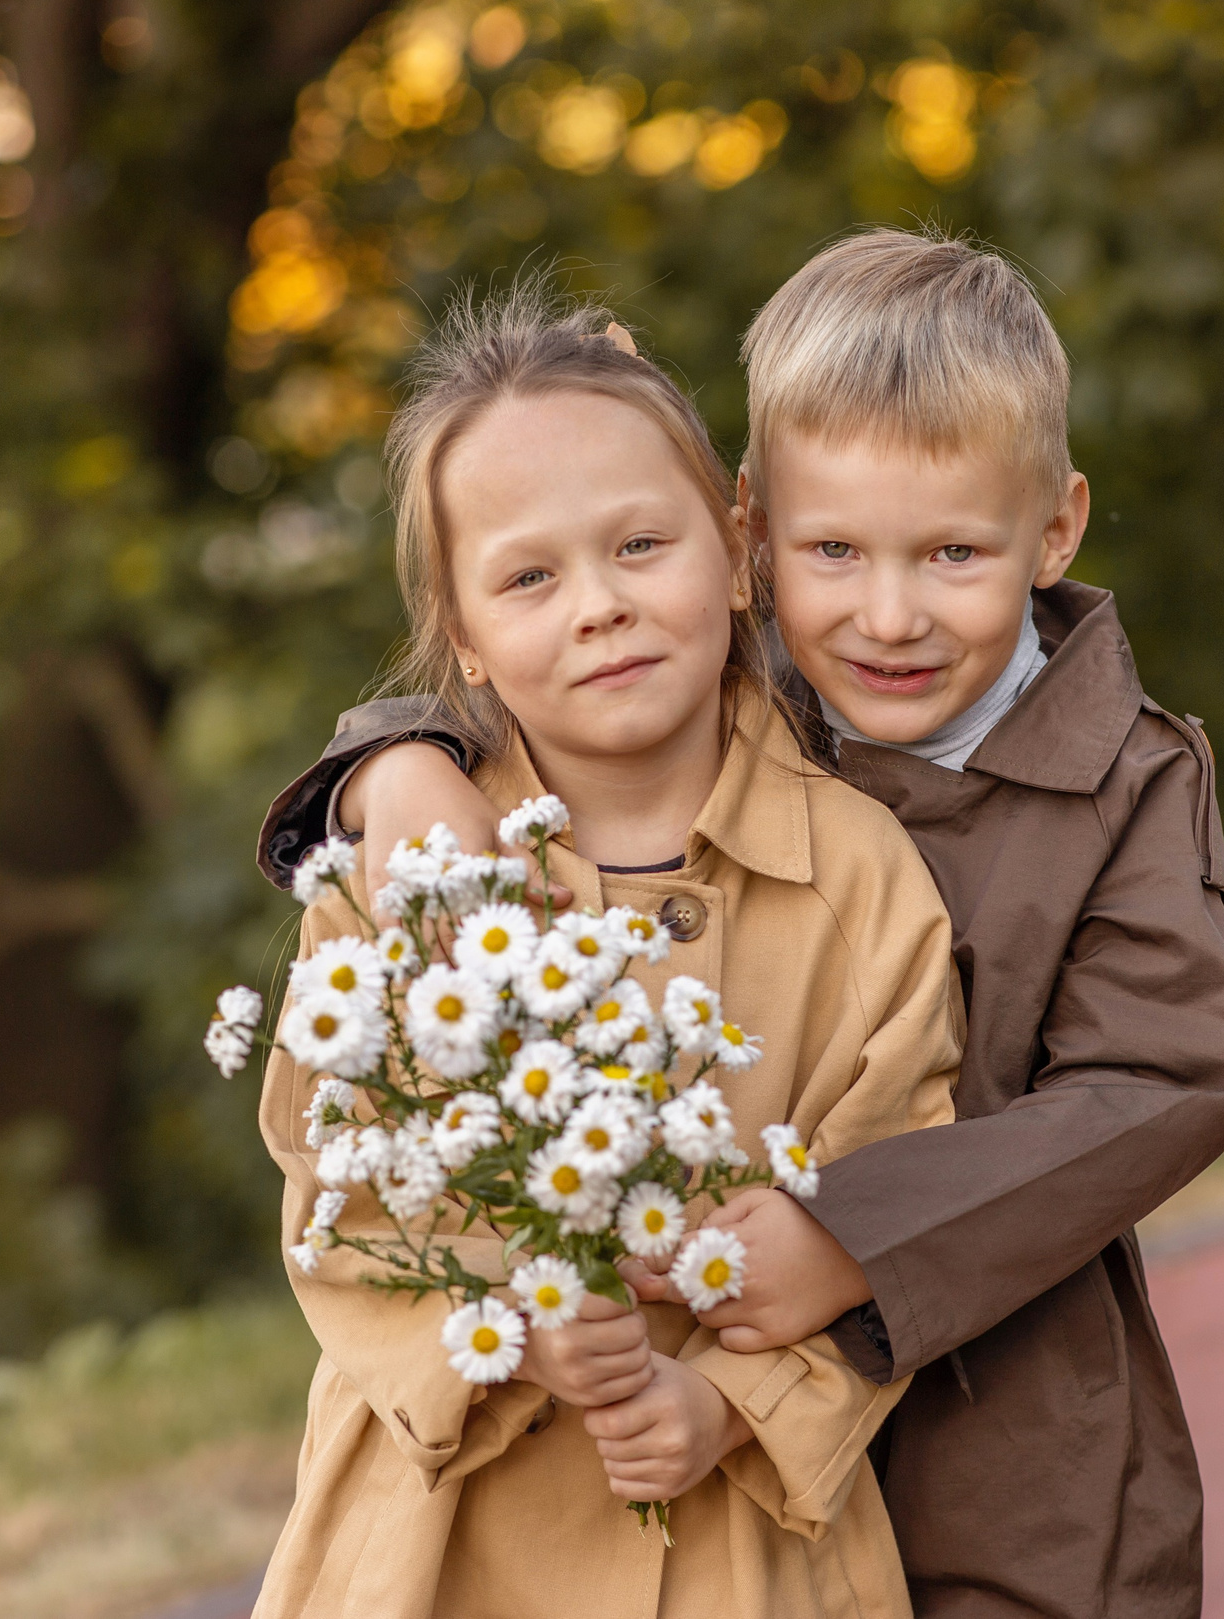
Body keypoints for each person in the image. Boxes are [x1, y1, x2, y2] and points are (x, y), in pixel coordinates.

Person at [259, 229, 1224, 1618]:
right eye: (834, 550)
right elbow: (533, 631)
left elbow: (1173, 1069)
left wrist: (849, 1237)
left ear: (1054, 529)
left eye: (955, 553)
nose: (890, 613)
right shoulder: (708, 675)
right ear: (752, 535)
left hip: (996, 1425)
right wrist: (390, 765)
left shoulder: (1123, 776)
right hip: (638, 1458)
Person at [255, 280, 968, 1619]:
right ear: (464, 635)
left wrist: (728, 1405)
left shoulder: (861, 876)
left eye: (642, 545)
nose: (599, 606)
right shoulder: (413, 874)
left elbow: (905, 1205)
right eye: (529, 576)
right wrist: (514, 1332)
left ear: (737, 545)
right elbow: (329, 1197)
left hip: (741, 1548)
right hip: (441, 1547)